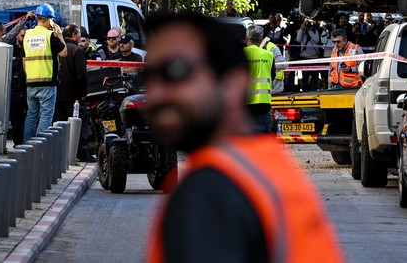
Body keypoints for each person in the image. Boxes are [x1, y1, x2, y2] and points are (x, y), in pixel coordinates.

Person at [142, 13, 345, 263]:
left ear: (232, 83)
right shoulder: (261, 168)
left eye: (175, 72)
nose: (156, 94)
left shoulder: (212, 189)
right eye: (148, 76)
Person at [23, 4, 67, 141]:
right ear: (49, 19)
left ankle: (26, 146)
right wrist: (59, 34)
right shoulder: (50, 35)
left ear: (36, 17)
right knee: (46, 116)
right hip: (47, 82)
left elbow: (25, 58)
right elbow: (64, 52)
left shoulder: (27, 35)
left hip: (30, 82)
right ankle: (39, 146)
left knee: (31, 115)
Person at [55, 24, 90, 160]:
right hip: (74, 96)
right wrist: (83, 92)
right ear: (74, 35)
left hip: (57, 94)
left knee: (59, 125)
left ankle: (61, 154)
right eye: (79, 34)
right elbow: (81, 74)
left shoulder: (57, 49)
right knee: (79, 124)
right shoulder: (77, 50)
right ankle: (81, 153)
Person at [244, 25, 275, 133]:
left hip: (246, 105)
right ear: (261, 40)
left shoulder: (241, 54)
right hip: (264, 104)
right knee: (262, 143)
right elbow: (273, 75)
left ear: (247, 39)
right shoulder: (269, 55)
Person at [10, 27, 28, 146]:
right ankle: (18, 142)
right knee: (16, 117)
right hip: (16, 88)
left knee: (30, 115)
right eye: (22, 36)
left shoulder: (29, 49)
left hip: (28, 86)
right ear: (17, 35)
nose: (24, 38)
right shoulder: (12, 50)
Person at [297, 19, 325, 92]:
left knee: (315, 76)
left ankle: (313, 90)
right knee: (305, 76)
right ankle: (305, 90)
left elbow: (317, 39)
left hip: (314, 57)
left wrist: (309, 31)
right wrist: (301, 28)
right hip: (305, 57)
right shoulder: (302, 32)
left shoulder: (315, 31)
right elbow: (298, 39)